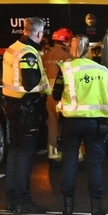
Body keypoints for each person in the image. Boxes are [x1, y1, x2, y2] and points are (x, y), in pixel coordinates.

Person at [53, 34, 108, 215]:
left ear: (72, 49)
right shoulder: (103, 71)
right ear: (88, 49)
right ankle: (96, 208)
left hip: (72, 122)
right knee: (94, 164)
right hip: (97, 123)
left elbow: (56, 94)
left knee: (70, 162)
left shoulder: (65, 68)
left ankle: (68, 208)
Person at [2, 16, 51, 213]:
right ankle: (23, 200)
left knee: (14, 152)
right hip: (26, 108)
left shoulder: (13, 47)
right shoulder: (28, 53)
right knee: (25, 155)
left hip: (13, 105)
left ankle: (12, 198)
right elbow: (30, 82)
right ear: (39, 33)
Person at [42, 27, 74, 163]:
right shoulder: (65, 56)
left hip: (47, 95)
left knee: (52, 124)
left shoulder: (45, 55)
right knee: (70, 125)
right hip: (61, 94)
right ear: (65, 41)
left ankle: (53, 154)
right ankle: (74, 154)